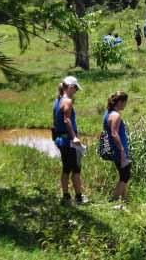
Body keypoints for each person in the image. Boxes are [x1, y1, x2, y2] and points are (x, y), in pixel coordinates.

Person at [52, 76, 87, 205]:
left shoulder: (57, 100)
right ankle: (79, 197)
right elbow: (67, 120)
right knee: (76, 170)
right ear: (71, 87)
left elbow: (57, 122)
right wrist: (74, 137)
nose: (76, 91)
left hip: (60, 139)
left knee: (66, 169)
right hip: (68, 141)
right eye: (76, 89)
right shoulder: (67, 101)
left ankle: (66, 197)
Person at [104, 91, 131, 202]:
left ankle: (125, 200)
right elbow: (114, 133)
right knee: (125, 175)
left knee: (123, 174)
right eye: (125, 102)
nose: (125, 105)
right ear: (120, 102)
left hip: (115, 149)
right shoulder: (116, 116)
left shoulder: (108, 113)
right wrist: (122, 151)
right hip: (118, 150)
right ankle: (113, 200)